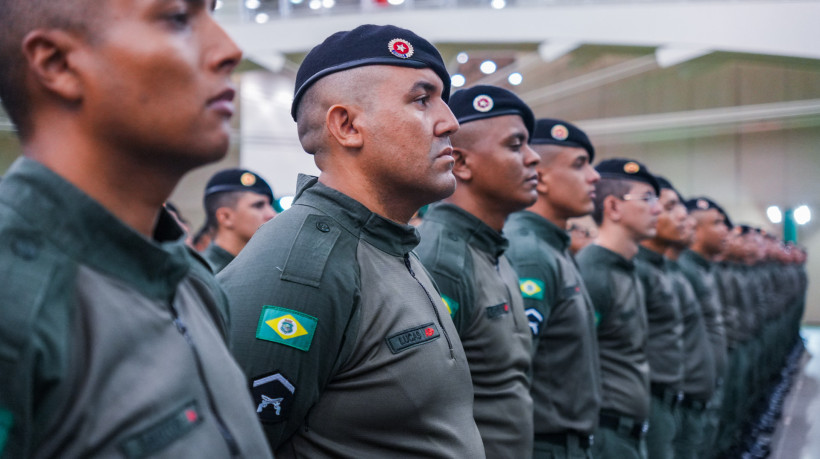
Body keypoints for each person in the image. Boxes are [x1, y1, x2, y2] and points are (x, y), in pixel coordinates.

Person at [0, 1, 273, 457]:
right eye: (177, 18)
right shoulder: (13, 296)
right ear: (59, 64)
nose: (229, 48)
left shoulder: (190, 277)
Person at [218, 24, 485, 457]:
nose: (450, 122)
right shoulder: (301, 270)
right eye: (422, 100)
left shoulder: (387, 244)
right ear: (346, 125)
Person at [416, 85, 538, 458]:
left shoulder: (493, 249)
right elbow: (424, 406)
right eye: (515, 146)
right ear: (463, 163)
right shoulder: (442, 259)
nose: (533, 159)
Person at [504, 119, 602, 459]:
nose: (594, 177)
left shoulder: (553, 248)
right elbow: (514, 372)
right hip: (544, 446)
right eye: (579, 164)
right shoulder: (530, 253)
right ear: (541, 176)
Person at [576, 158, 661, 459]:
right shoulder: (593, 274)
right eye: (647, 198)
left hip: (631, 431)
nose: (658, 209)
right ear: (612, 207)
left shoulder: (628, 269)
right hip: (606, 435)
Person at [634, 176, 686, 459]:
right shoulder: (637, 269)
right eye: (670, 206)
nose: (681, 216)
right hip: (648, 398)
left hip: (669, 393)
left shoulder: (662, 269)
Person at [680, 197, 729, 457]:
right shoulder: (684, 269)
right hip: (691, 389)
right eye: (717, 223)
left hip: (708, 380)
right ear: (696, 228)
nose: (725, 230)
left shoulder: (703, 269)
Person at [201, 168, 276, 272]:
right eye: (259, 205)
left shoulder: (260, 267)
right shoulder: (204, 273)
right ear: (225, 217)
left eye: (269, 205)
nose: (272, 214)